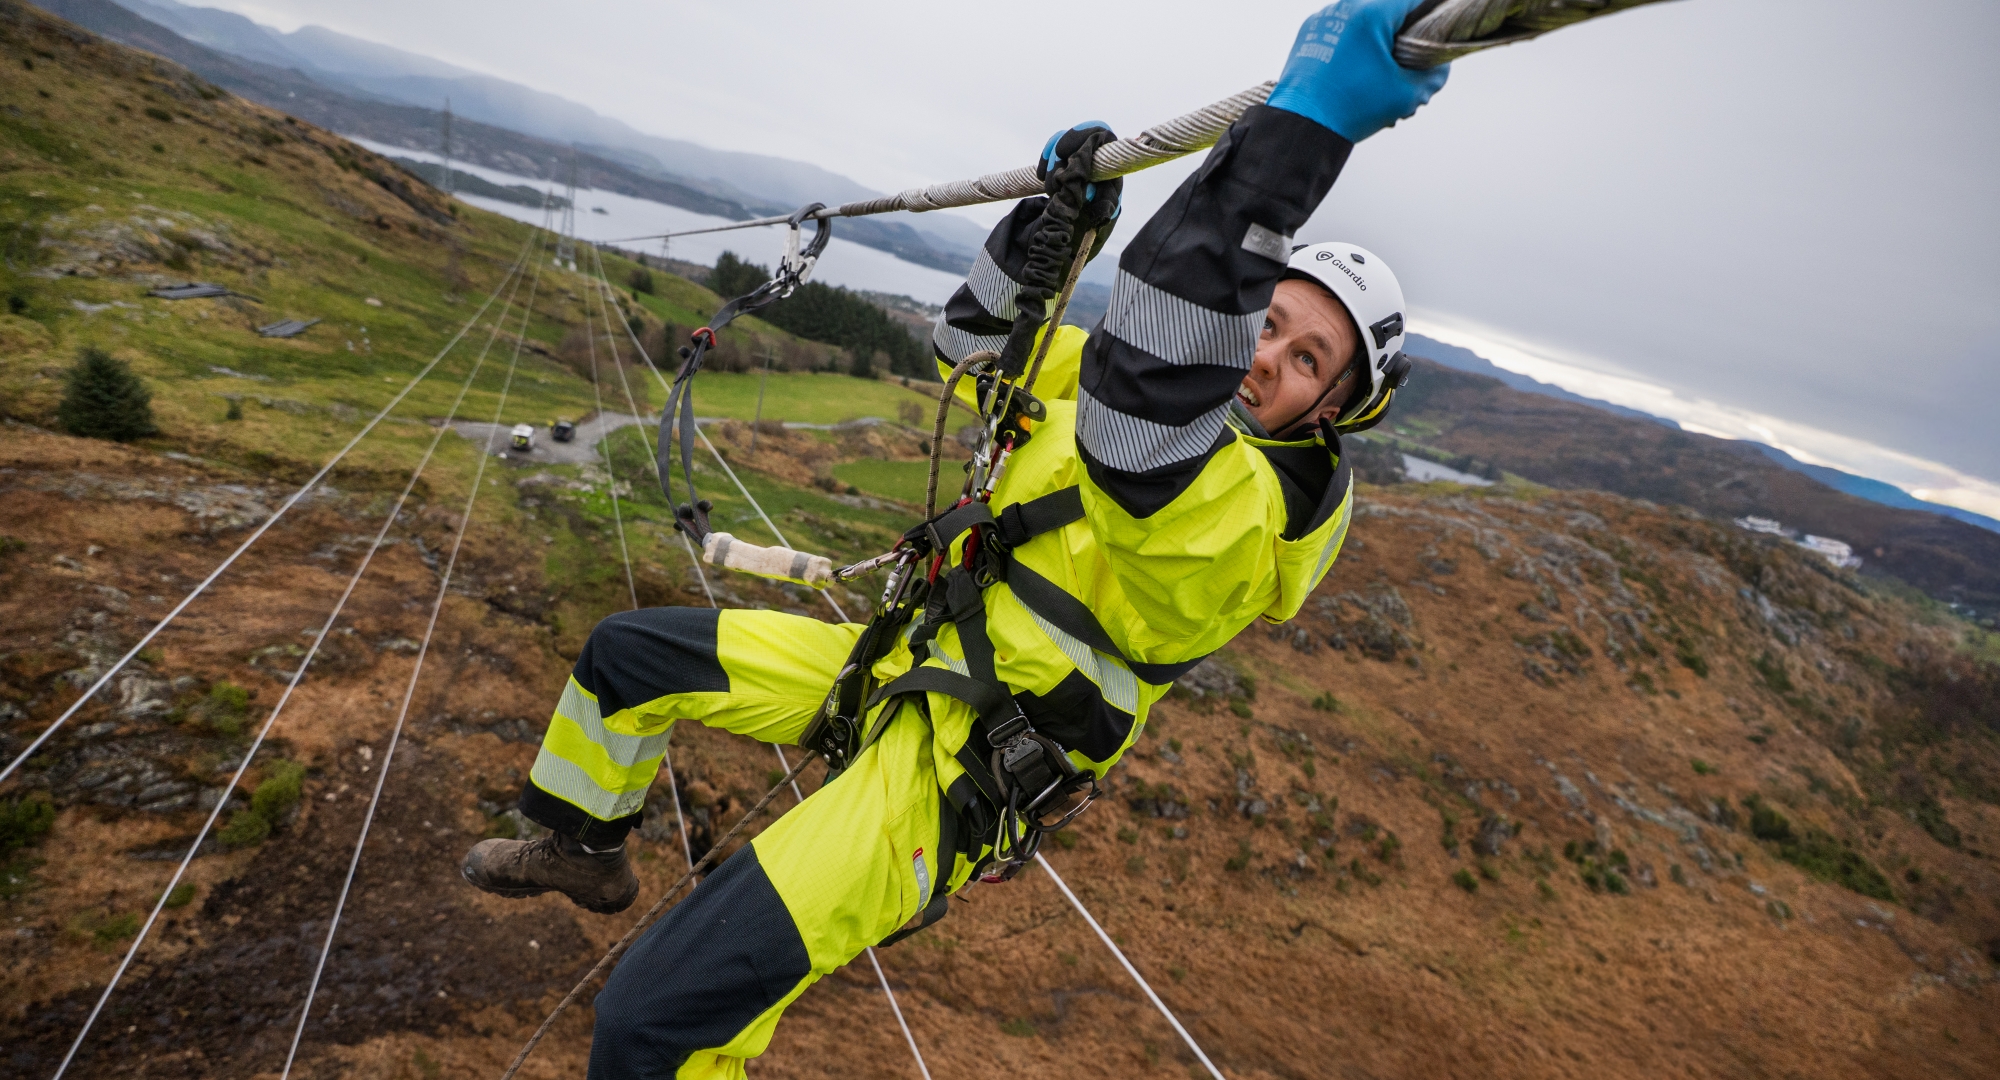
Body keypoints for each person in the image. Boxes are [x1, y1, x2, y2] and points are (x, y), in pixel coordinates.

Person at [461, 2, 1448, 1075]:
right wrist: (1045, 228)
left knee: (653, 1025)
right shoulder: (1146, 405)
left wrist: (1296, 138)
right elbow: (969, 351)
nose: (1265, 358)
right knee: (625, 656)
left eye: (1307, 360)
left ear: (1331, 412)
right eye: (1266, 322)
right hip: (906, 663)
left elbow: (1142, 413)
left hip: (950, 774)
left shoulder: (1249, 520)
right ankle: (582, 847)